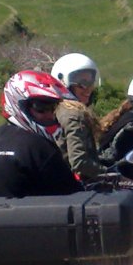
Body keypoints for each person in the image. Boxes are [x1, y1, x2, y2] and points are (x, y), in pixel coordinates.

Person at [0, 70, 82, 197]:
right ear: (19, 105)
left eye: (53, 108)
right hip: (30, 220)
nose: (49, 115)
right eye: (41, 107)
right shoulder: (41, 149)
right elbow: (71, 195)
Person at [51, 52, 105, 181]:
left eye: (91, 82)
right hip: (73, 186)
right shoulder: (74, 114)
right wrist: (107, 173)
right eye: (81, 82)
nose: (88, 88)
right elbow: (79, 161)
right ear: (63, 82)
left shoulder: (57, 109)